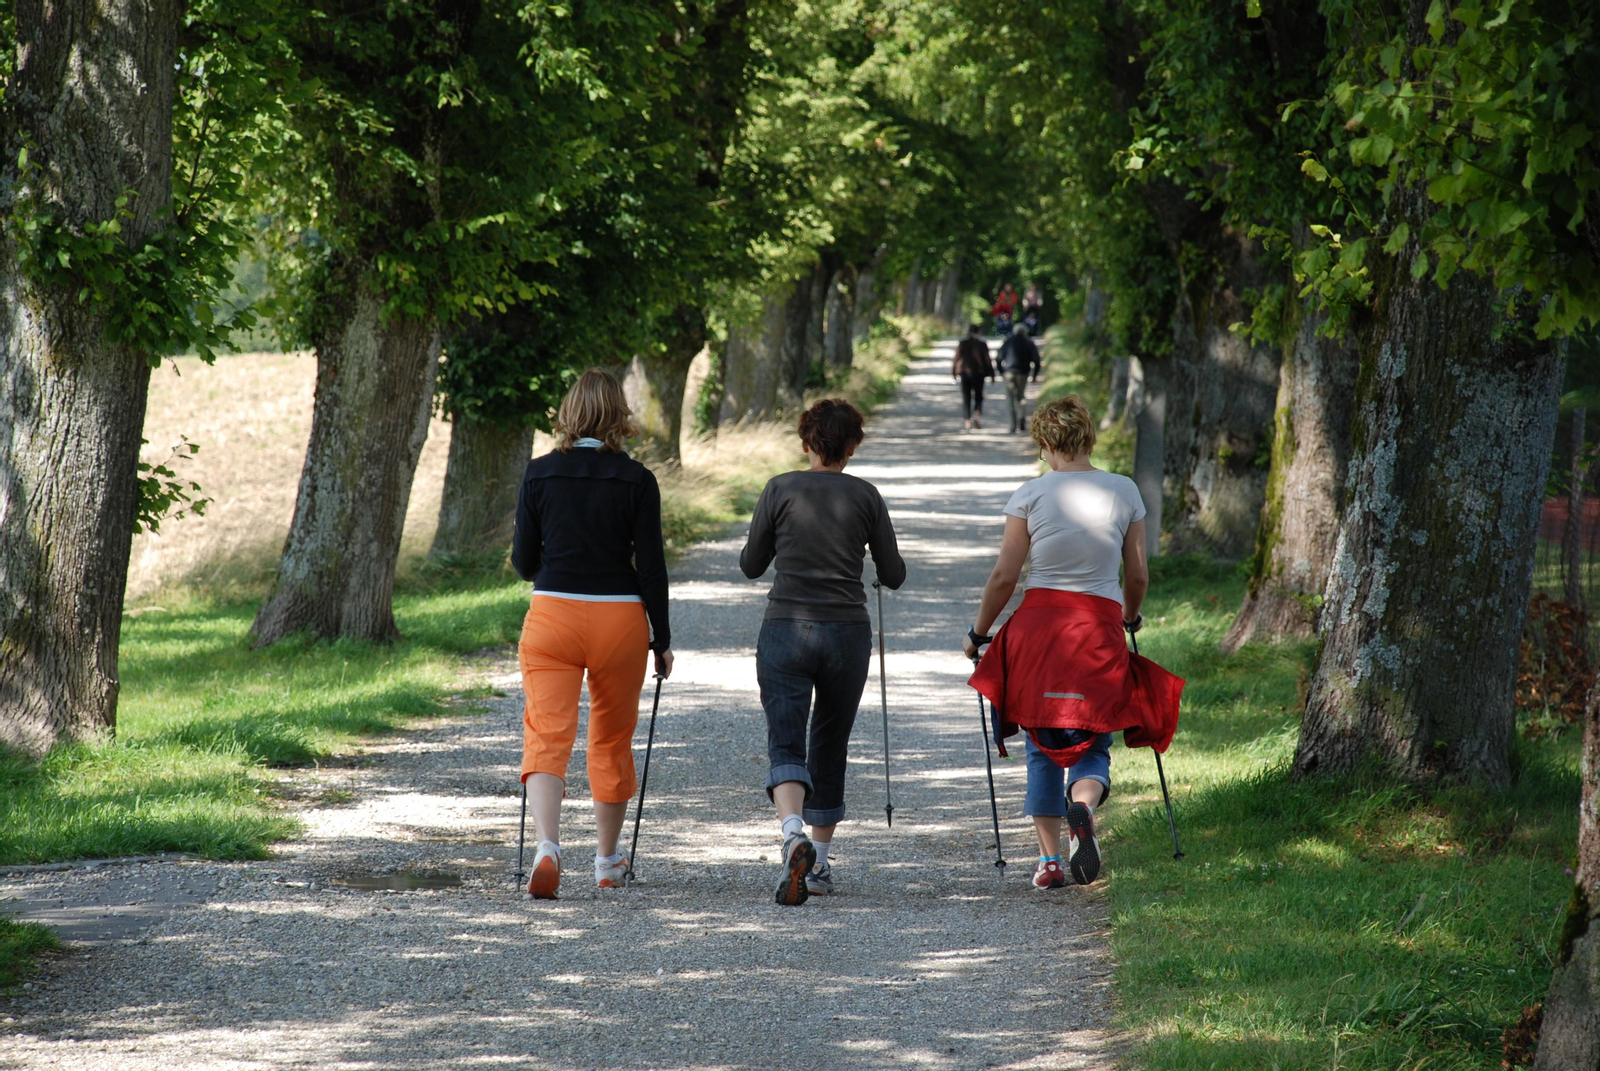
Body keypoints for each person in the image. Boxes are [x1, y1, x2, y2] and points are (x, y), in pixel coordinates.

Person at [963, 396, 1182, 888]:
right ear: (1088, 438)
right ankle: (1082, 805)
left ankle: (1049, 862)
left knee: (1041, 744)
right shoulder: (1124, 490)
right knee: (1093, 735)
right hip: (1097, 627)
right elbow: (1138, 574)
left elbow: (1004, 577)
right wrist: (1128, 616)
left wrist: (978, 633)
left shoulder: (1030, 494)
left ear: (1046, 442)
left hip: (1037, 631)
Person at [512, 368, 673, 900]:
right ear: (618, 416)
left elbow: (523, 563)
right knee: (611, 738)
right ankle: (607, 861)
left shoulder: (538, 473)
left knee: (547, 734)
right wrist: (661, 639)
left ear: (569, 413)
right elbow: (651, 569)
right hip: (619, 620)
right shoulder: (638, 480)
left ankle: (547, 847)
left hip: (552, 615)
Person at [740, 399, 907, 905]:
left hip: (785, 629)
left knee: (786, 740)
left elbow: (751, 565)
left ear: (805, 442)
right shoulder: (866, 495)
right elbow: (894, 574)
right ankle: (819, 865)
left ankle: (791, 833)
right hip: (846, 633)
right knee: (830, 741)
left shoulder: (779, 489)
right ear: (852, 446)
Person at [996, 323, 1042, 433]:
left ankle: (1013, 425)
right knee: (1021, 396)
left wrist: (1002, 372)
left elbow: (998, 358)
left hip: (1009, 373)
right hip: (1023, 373)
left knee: (1010, 399)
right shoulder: (1029, 342)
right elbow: (1036, 360)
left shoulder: (1008, 341)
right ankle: (1021, 417)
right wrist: (1034, 375)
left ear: (1014, 331)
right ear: (1025, 332)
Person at [952, 323, 996, 430]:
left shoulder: (963, 343)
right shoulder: (982, 344)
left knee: (966, 397)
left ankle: (967, 420)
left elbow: (956, 359)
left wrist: (953, 373)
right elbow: (987, 360)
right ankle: (976, 415)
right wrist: (992, 375)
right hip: (979, 374)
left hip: (964, 373)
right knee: (979, 396)